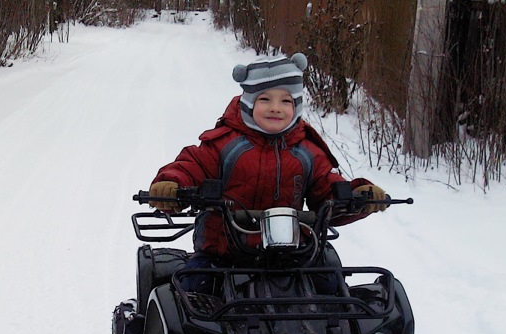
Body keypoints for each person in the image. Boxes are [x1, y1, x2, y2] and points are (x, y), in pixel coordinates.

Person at [147, 52, 388, 290]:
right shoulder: (224, 144)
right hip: (224, 251)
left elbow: (327, 188)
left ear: (297, 105)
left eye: (286, 101)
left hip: (292, 251)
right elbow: (192, 165)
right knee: (193, 290)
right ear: (249, 103)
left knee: (332, 286)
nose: (275, 108)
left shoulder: (308, 150)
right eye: (264, 99)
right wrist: (172, 185)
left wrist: (357, 196)